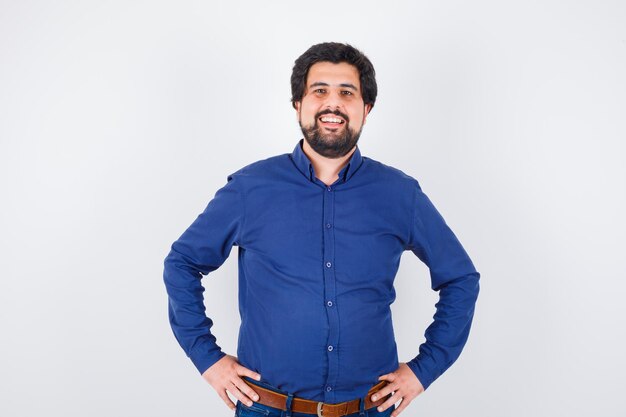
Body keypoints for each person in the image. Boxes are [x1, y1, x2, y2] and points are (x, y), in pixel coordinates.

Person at [163, 42, 480, 417]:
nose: (333, 104)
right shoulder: (249, 189)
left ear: (367, 108)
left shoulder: (400, 194)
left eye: (347, 93)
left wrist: (423, 371)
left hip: (367, 409)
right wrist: (208, 360)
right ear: (299, 104)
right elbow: (182, 262)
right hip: (267, 409)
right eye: (320, 91)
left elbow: (460, 278)